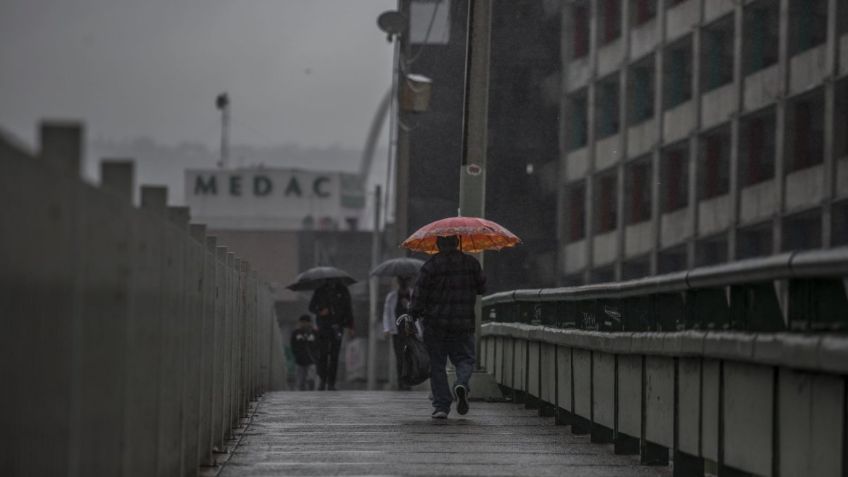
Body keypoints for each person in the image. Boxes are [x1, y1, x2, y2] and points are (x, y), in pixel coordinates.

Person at [409, 235, 486, 419]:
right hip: (463, 323)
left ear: (438, 244)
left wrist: (413, 314)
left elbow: (419, 295)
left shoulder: (430, 266)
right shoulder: (471, 263)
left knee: (437, 365)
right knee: (465, 359)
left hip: (435, 324)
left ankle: (442, 406)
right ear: (458, 242)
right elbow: (482, 288)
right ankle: (461, 384)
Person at [309, 279, 354, 391]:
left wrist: (350, 325)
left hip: (337, 326)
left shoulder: (343, 290)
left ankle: (331, 383)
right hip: (323, 327)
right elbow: (311, 307)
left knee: (334, 356)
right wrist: (320, 311)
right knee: (323, 355)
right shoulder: (320, 290)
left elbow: (348, 309)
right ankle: (322, 381)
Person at [383, 276, 413, 390]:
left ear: (409, 281)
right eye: (401, 281)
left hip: (411, 331)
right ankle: (401, 382)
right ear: (398, 282)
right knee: (400, 358)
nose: (403, 283)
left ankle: (408, 382)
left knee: (410, 357)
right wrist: (386, 328)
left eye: (405, 281)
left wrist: (407, 306)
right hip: (397, 332)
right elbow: (387, 313)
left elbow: (419, 311)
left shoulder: (413, 295)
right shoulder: (391, 297)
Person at [290, 315, 318, 391]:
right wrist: (297, 355)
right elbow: (293, 345)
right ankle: (302, 396)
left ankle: (311, 391)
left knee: (311, 378)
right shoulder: (296, 333)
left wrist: (316, 356)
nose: (304, 324)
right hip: (300, 361)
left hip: (311, 360)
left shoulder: (314, 333)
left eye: (306, 322)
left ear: (310, 323)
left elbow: (318, 345)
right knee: (300, 381)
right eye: (302, 322)